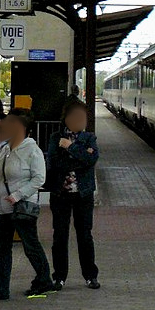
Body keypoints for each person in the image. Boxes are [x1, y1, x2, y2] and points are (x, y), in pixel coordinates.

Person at [0, 109, 53, 301]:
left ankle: (44, 280)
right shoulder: (5, 148)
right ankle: (0, 288)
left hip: (21, 208)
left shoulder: (31, 150)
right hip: (1, 208)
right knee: (2, 249)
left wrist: (18, 195)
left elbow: (39, 178)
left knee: (31, 245)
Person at [46, 100, 100, 290]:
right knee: (60, 236)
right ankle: (59, 276)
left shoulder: (89, 138)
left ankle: (90, 275)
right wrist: (81, 157)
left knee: (85, 235)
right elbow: (53, 163)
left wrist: (70, 148)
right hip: (60, 194)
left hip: (83, 194)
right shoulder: (55, 138)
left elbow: (92, 159)